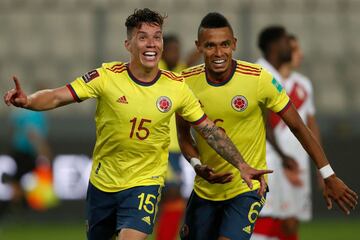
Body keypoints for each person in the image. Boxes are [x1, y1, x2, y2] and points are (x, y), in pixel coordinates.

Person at [3, 8, 271, 240]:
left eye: (157, 37)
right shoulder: (106, 76)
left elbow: (209, 130)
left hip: (145, 182)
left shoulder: (176, 87)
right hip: (103, 184)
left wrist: (241, 164)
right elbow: (58, 95)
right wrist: (29, 101)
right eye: (142, 38)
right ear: (128, 44)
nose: (151, 44)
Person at [176, 13, 358, 240]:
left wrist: (328, 174)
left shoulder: (258, 79)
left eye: (225, 44)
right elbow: (183, 136)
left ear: (234, 44)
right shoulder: (184, 82)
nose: (219, 52)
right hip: (205, 190)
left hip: (247, 188)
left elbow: (299, 126)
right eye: (210, 46)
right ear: (199, 47)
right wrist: (196, 163)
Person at [252, 30, 323, 240]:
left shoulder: (302, 84)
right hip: (269, 159)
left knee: (290, 220)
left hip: (295, 159)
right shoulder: (260, 75)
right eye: (293, 47)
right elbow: (264, 123)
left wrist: (320, 165)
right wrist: (283, 158)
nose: (299, 53)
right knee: (266, 214)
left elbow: (311, 124)